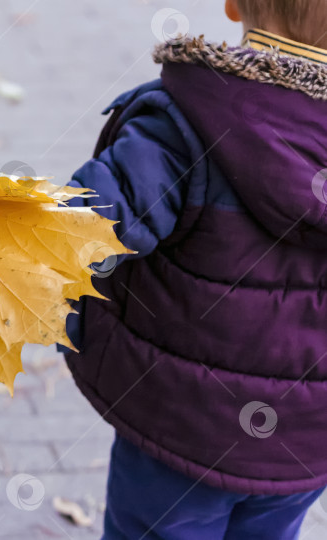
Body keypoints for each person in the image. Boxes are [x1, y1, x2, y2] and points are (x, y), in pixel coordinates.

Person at [61, 0, 327, 538]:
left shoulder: (189, 119)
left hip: (182, 428)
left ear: (233, 5)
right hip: (306, 440)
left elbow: (87, 229)